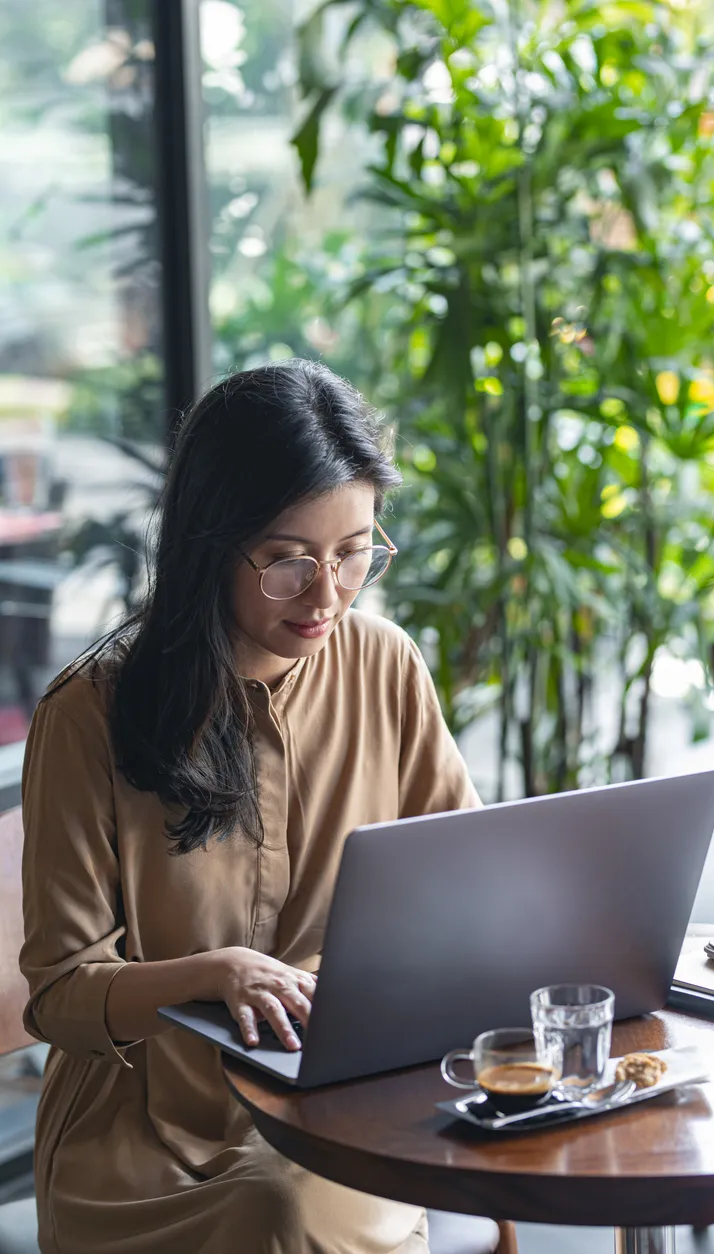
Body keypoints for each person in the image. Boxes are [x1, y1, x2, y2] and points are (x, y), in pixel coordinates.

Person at [19, 360, 480, 1254]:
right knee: (274, 1214)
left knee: (303, 1198)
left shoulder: (383, 665)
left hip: (339, 1093)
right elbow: (62, 995)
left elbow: (465, 876)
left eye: (355, 553)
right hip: (146, 1133)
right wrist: (208, 974)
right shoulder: (89, 717)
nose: (327, 595)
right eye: (287, 562)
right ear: (208, 543)